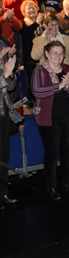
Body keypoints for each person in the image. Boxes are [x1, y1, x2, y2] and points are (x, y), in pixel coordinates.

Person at [31, 40, 69, 200]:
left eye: (61, 53)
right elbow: (37, 91)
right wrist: (59, 86)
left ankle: (68, 183)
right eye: (54, 53)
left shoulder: (68, 69)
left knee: (67, 151)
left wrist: (67, 86)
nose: (58, 56)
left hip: (67, 116)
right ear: (46, 53)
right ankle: (51, 186)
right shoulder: (40, 70)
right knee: (52, 153)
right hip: (48, 117)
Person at [0, 48, 17, 210]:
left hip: (4, 113)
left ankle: (3, 192)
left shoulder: (1, 58)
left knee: (4, 154)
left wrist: (10, 73)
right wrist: (5, 74)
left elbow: (10, 87)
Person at [20, 0, 44, 103]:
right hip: (29, 56)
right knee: (31, 79)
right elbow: (27, 33)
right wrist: (37, 22)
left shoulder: (42, 24)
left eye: (33, 7)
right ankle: (31, 100)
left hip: (42, 55)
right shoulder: (22, 23)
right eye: (28, 8)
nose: (31, 10)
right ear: (24, 12)